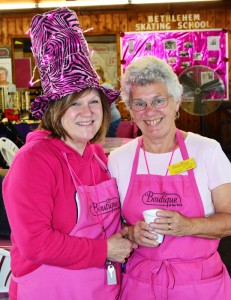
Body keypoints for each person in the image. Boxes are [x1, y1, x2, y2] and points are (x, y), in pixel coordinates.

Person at [2, 7, 136, 300]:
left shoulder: (98, 155)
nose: (87, 113)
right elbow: (35, 243)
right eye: (74, 104)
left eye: (93, 101)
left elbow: (108, 219)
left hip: (101, 287)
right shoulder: (33, 161)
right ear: (54, 110)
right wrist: (105, 249)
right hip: (52, 289)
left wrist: (127, 232)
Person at [108, 55, 231, 299]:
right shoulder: (119, 159)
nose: (149, 111)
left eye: (159, 100)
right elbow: (111, 226)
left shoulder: (207, 151)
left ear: (176, 103)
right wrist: (131, 232)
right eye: (139, 104)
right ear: (130, 111)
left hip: (200, 284)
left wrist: (188, 226)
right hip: (141, 283)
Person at [95, 66, 121, 137]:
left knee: (110, 141)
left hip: (112, 118)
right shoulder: (106, 85)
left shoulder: (104, 87)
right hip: (113, 117)